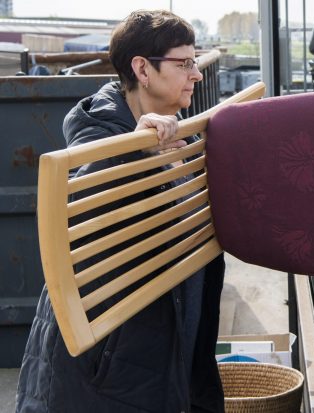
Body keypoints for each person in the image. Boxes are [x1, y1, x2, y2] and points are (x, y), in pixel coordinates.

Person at [16, 10, 226, 413]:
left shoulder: (178, 131)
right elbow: (82, 209)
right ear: (142, 69)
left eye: (195, 62)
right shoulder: (100, 134)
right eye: (184, 63)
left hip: (162, 351)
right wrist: (134, 150)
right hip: (109, 365)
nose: (196, 74)